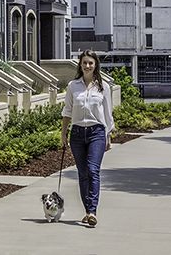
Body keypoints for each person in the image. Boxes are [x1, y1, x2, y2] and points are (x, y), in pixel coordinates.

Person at [60, 50, 114, 227]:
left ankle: (92, 211)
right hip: (77, 134)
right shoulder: (73, 86)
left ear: (95, 65)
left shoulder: (103, 87)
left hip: (96, 132)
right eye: (84, 63)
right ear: (80, 65)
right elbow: (67, 111)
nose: (87, 66)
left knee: (93, 170)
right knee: (83, 173)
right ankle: (88, 211)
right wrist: (63, 133)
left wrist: (108, 135)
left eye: (90, 63)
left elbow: (108, 113)